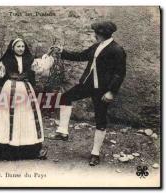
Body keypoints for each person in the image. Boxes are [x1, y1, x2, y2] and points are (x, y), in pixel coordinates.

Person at [49, 21, 126, 166]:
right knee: (65, 98)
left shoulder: (117, 50)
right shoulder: (96, 46)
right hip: (87, 84)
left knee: (100, 119)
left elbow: (119, 73)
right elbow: (81, 56)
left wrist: (111, 92)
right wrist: (62, 52)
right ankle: (63, 132)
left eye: (96, 32)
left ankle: (95, 154)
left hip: (103, 90)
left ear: (101, 34)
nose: (94, 35)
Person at [0, 38, 55, 160]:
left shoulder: (29, 59)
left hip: (26, 90)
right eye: (18, 46)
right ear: (12, 48)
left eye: (22, 46)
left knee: (28, 116)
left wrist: (48, 56)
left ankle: (30, 149)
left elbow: (40, 67)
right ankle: (7, 150)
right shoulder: (6, 60)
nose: (21, 49)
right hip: (10, 89)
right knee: (8, 116)